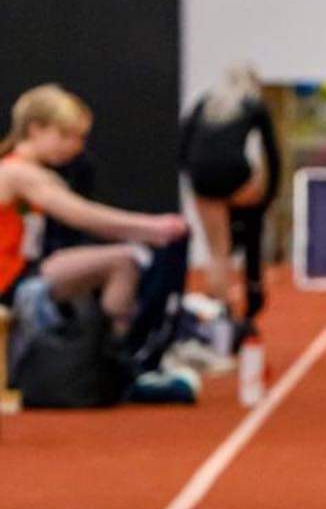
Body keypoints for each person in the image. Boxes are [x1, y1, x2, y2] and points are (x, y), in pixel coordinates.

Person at [1, 86, 187, 376]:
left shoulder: (35, 173)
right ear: (35, 129)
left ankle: (108, 354)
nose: (75, 146)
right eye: (65, 135)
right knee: (123, 260)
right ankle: (114, 356)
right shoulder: (18, 173)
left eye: (79, 137)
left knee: (121, 261)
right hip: (10, 279)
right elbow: (81, 215)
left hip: (24, 271)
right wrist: (151, 228)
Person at [179, 65, 281, 323]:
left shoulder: (205, 103)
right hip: (236, 177)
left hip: (202, 177)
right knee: (252, 232)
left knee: (217, 250)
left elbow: (182, 144)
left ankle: (220, 309)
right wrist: (268, 197)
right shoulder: (253, 105)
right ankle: (253, 291)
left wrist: (193, 178)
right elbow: (272, 152)